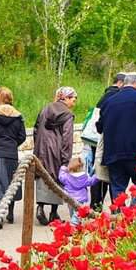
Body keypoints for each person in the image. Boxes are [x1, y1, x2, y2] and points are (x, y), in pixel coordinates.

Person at [95, 72, 136, 203]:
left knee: (117, 189)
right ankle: (132, 214)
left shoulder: (109, 100)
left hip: (113, 153)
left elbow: (99, 127)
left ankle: (119, 217)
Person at [33, 86, 77, 225]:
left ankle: (40, 208)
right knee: (57, 178)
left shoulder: (45, 108)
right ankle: (53, 212)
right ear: (66, 98)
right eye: (73, 99)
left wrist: (38, 145)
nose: (74, 102)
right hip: (57, 151)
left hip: (41, 149)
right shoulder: (67, 114)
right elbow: (67, 138)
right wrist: (66, 159)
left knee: (42, 177)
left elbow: (35, 129)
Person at [0, 87, 26, 228]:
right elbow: (22, 136)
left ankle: (0, 215)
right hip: (12, 154)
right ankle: (10, 213)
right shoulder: (18, 116)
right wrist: (13, 144)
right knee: (11, 184)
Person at [90, 72, 124, 212]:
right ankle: (115, 210)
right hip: (108, 142)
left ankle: (95, 206)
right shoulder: (115, 97)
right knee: (111, 179)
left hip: (95, 141)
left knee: (98, 175)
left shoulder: (103, 96)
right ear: (121, 83)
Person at [58, 156, 95, 225]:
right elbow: (91, 181)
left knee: (72, 213)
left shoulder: (66, 177)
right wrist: (96, 176)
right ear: (80, 167)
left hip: (69, 198)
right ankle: (74, 225)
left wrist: (63, 168)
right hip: (80, 199)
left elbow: (60, 177)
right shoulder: (84, 178)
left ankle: (75, 224)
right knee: (77, 214)